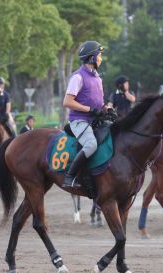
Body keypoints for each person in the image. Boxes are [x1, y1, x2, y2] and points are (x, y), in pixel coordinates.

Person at [61, 40, 107, 188]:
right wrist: (90, 110)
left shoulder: (97, 77)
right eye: (99, 55)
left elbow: (98, 103)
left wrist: (107, 109)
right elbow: (67, 102)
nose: (101, 58)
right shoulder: (78, 77)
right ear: (92, 58)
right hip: (79, 121)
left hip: (95, 121)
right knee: (91, 145)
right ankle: (70, 176)